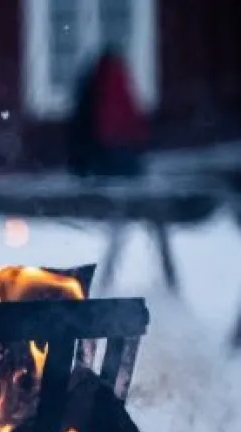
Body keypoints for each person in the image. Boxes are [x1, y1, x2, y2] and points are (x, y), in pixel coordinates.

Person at [68, 47, 178, 291]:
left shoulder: (97, 83)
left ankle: (109, 278)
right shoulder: (110, 82)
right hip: (114, 160)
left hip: (103, 162)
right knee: (134, 202)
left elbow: (92, 126)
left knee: (130, 206)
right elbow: (118, 123)